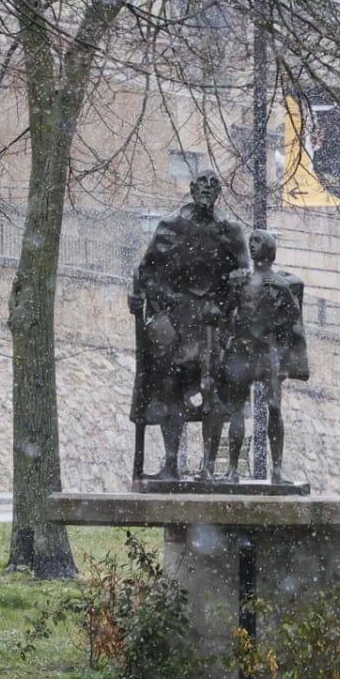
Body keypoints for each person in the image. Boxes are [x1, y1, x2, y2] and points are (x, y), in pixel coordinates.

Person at [129, 170, 249, 481]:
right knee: (169, 385)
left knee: (215, 388)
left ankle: (208, 467)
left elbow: (242, 274)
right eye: (201, 186)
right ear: (192, 189)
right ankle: (171, 463)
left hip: (214, 322)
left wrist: (227, 299)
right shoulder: (171, 225)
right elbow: (146, 272)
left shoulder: (230, 229)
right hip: (177, 318)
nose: (207, 192)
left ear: (219, 192)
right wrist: (155, 309)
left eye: (213, 187)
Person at [206, 230, 310, 482]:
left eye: (258, 243)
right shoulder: (242, 281)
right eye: (251, 242)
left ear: (269, 249)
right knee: (238, 410)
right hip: (243, 351)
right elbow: (224, 311)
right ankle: (233, 469)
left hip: (267, 352)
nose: (252, 247)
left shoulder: (280, 283)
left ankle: (276, 470)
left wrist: (284, 290)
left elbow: (293, 318)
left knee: (274, 407)